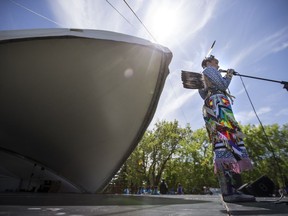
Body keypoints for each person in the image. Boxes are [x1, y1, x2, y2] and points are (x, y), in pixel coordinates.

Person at [198, 55, 255, 203]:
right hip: (219, 105)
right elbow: (222, 86)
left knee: (224, 143)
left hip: (213, 105)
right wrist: (228, 75)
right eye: (216, 61)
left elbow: (204, 93)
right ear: (208, 62)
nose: (218, 64)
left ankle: (229, 190)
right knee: (227, 140)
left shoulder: (203, 76)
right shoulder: (209, 70)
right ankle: (230, 192)